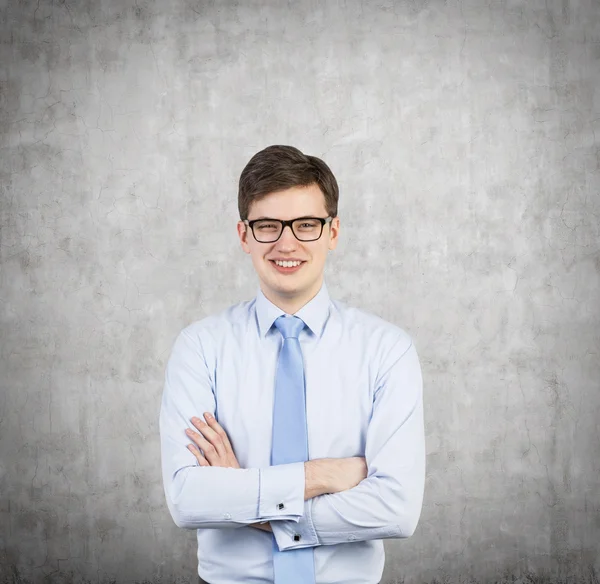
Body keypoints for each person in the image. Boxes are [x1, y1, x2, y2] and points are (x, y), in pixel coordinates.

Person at [158, 144, 426, 584]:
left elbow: (396, 510)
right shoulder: (199, 348)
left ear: (333, 232)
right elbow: (188, 500)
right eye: (267, 225)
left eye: (306, 225)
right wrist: (321, 476)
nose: (287, 243)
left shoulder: (387, 350)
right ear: (244, 235)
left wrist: (244, 498)